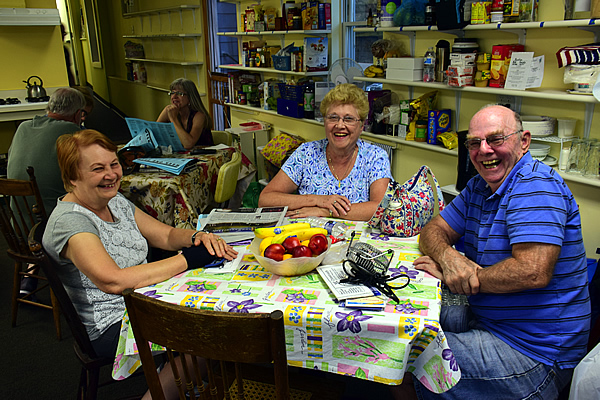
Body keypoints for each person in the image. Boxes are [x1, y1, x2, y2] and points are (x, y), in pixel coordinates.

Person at [408, 105, 590, 399]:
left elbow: (533, 271)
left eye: (495, 139)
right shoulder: (480, 186)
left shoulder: (534, 184)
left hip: (535, 352)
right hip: (490, 320)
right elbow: (432, 231)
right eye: (474, 142)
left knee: (411, 354)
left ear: (524, 141)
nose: (484, 150)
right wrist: (450, 259)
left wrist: (468, 278)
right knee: (409, 319)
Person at [42, 129, 237, 399]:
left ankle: (179, 380)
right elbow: (113, 280)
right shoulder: (71, 222)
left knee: (222, 311)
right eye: (98, 169)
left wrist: (196, 236)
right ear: (72, 178)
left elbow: (166, 235)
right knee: (211, 336)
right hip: (111, 324)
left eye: (113, 164)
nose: (111, 174)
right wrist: (185, 260)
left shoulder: (114, 200)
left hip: (143, 299)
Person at [258, 83, 392, 221]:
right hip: (308, 237)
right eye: (333, 117)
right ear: (324, 122)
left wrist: (325, 211)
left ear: (361, 126)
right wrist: (318, 200)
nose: (340, 125)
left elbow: (381, 208)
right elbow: (266, 199)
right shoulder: (306, 153)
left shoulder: (375, 157)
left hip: (355, 240)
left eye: (349, 119)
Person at [7, 87, 86, 215]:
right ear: (77, 114)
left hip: (19, 224)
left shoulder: (23, 127)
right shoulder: (72, 132)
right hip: (55, 221)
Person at [157, 78, 213, 149]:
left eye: (179, 94)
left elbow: (188, 144)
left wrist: (173, 119)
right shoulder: (168, 110)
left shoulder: (199, 115)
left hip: (203, 156)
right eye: (172, 93)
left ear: (190, 97)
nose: (174, 97)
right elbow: (154, 133)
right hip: (181, 156)